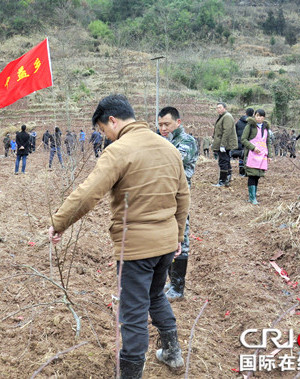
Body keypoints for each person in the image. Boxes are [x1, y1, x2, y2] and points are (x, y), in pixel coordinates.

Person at [48, 95, 189, 378]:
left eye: (103, 130)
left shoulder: (119, 150)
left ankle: (130, 373)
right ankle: (172, 353)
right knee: (155, 295)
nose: (104, 135)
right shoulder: (168, 147)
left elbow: (89, 193)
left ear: (112, 120)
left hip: (136, 248)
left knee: (133, 312)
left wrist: (58, 222)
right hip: (164, 243)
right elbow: (183, 195)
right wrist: (178, 236)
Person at [158, 106, 198, 302]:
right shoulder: (165, 141)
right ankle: (171, 282)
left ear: (178, 122)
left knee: (182, 238)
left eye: (167, 124)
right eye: (160, 124)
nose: (163, 128)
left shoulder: (187, 141)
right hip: (165, 195)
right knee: (167, 237)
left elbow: (172, 161)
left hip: (180, 197)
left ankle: (178, 288)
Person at [241, 109, 273, 205]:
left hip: (262, 155)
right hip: (252, 155)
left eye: (261, 116)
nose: (259, 118)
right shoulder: (250, 126)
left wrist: (269, 155)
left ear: (264, 117)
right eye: (257, 116)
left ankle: (253, 196)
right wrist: (253, 147)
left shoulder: (266, 128)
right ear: (254, 116)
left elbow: (267, 142)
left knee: (257, 176)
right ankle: (252, 198)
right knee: (252, 175)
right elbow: (243, 139)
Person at [211, 102, 237, 187]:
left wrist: (222, 145)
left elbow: (227, 131)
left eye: (220, 107)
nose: (218, 109)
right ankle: (227, 179)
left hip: (225, 143)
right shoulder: (222, 116)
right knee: (226, 160)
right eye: (217, 108)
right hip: (222, 142)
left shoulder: (227, 117)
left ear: (225, 108)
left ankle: (222, 180)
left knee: (223, 161)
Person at [233, 108, 254, 177]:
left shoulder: (239, 122)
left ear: (246, 113)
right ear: (253, 114)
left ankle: (241, 172)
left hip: (240, 142)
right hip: (250, 143)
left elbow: (235, 132)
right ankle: (249, 172)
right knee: (249, 157)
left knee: (241, 158)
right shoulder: (253, 123)